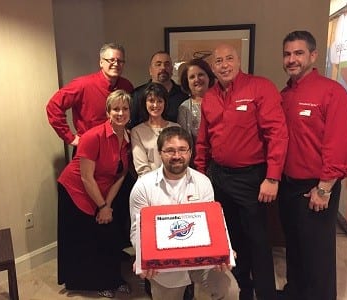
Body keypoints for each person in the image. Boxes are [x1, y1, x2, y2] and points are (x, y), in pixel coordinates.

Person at [194, 43, 288, 300]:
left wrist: (272, 177)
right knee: (231, 240)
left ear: (238, 61)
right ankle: (240, 292)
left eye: (229, 59)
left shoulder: (260, 87)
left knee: (258, 241)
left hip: (252, 178)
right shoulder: (210, 97)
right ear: (212, 67)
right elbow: (203, 140)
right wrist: (200, 177)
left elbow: (277, 134)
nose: (224, 65)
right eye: (219, 61)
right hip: (219, 178)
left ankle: (266, 294)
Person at [278, 30, 347, 300]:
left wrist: (324, 188)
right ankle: (294, 293)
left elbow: (339, 143)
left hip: (317, 188)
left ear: (313, 55)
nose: (292, 59)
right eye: (287, 54)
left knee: (318, 257)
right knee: (295, 249)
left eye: (298, 53)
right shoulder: (284, 94)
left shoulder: (331, 93)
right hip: (288, 187)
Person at [129, 126, 238, 300]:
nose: (177, 156)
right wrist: (143, 256)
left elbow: (213, 225)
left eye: (182, 150)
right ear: (160, 152)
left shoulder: (203, 182)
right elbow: (137, 231)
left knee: (230, 291)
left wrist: (224, 250)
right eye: (170, 150)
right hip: (163, 267)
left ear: (190, 152)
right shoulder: (143, 187)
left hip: (202, 260)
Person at [56, 90, 132, 298]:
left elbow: (121, 175)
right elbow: (86, 177)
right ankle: (95, 283)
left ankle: (113, 278)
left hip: (102, 191)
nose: (120, 113)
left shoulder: (127, 137)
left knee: (108, 237)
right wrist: (102, 206)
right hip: (77, 191)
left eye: (124, 109)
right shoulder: (93, 136)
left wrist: (107, 205)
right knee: (89, 240)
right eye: (116, 108)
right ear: (108, 112)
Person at [46, 42, 133, 148]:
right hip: (90, 148)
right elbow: (53, 106)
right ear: (101, 62)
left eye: (120, 61)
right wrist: (70, 138)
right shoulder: (83, 84)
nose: (116, 64)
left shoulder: (126, 86)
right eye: (111, 60)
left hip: (118, 148)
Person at [131, 82, 180, 176]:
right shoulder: (137, 131)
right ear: (145, 103)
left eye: (160, 101)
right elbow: (142, 168)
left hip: (174, 181)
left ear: (165, 103)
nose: (155, 105)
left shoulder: (176, 128)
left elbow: (179, 160)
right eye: (151, 100)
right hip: (148, 184)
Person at [130, 51, 188, 128]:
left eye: (167, 64)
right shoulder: (137, 95)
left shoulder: (183, 95)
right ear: (150, 70)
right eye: (158, 64)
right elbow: (130, 126)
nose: (163, 67)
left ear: (172, 69)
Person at [177, 58, 216, 165]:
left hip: (222, 164)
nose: (197, 79)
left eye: (201, 74)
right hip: (196, 165)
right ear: (187, 82)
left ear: (208, 76)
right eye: (192, 77)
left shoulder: (220, 102)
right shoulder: (184, 108)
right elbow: (184, 142)